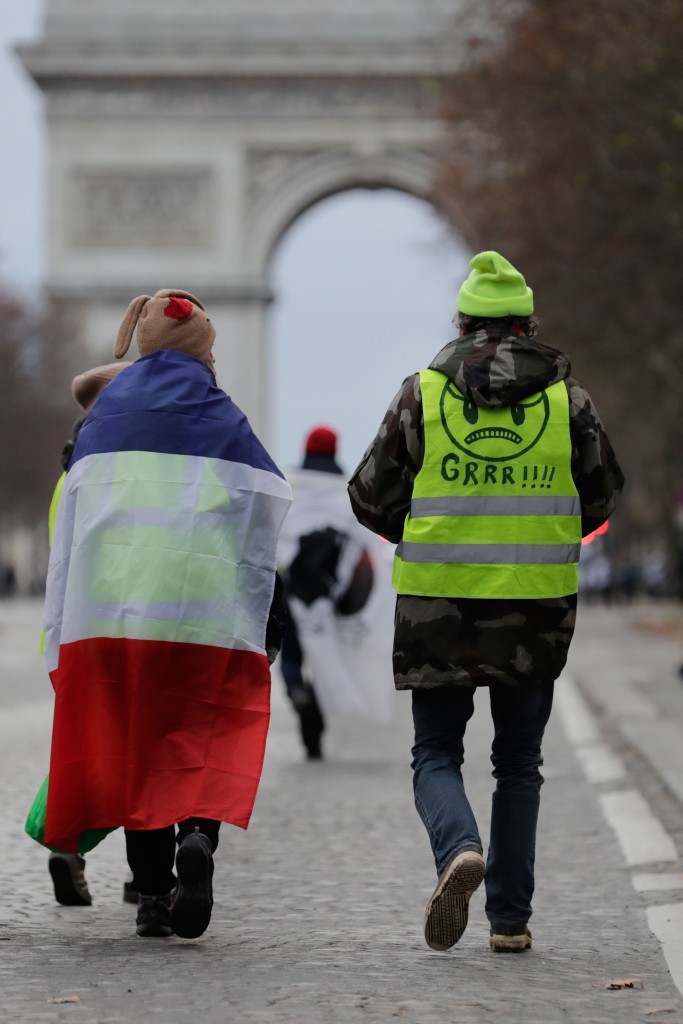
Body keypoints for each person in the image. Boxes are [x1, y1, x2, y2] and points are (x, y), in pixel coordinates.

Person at [348, 251, 624, 953]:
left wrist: (418, 530)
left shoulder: (422, 394)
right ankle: (509, 920)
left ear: (462, 320)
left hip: (436, 604)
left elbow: (368, 495)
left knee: (435, 752)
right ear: (529, 323)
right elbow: (600, 496)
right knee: (519, 763)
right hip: (534, 608)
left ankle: (456, 848)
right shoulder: (570, 401)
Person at [41, 289, 292, 939]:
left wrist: (62, 623)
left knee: (137, 743)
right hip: (207, 609)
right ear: (205, 351)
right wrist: (271, 613)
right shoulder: (223, 416)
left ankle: (152, 894)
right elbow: (260, 515)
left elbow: (73, 522)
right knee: (198, 729)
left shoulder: (104, 419)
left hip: (118, 612)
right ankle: (199, 838)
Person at [42, 361, 132, 908]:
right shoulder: (123, 466)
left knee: (90, 745)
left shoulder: (72, 467)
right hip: (130, 619)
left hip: (75, 629)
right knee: (143, 747)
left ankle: (68, 843)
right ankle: (145, 876)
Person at [278, 426, 394, 759]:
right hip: (330, 592)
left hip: (292, 588)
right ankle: (315, 695)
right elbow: (363, 541)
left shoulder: (290, 485)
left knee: (293, 654)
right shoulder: (345, 493)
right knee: (327, 653)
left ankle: (298, 692)